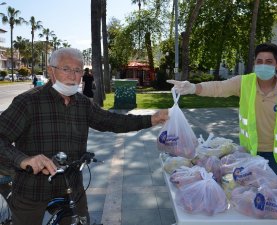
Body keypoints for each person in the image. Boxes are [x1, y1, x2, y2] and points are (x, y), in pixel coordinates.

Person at [0, 47, 169, 225]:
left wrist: (152, 119)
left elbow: (112, 121)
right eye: (66, 69)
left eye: (78, 70)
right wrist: (24, 160)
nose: (73, 76)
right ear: (51, 71)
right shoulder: (28, 102)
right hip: (32, 189)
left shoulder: (82, 104)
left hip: (71, 187)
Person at [167, 42, 277, 190]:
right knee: (250, 197)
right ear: (255, 64)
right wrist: (193, 88)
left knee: (276, 200)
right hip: (249, 154)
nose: (263, 65)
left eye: (269, 62)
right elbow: (219, 87)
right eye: (259, 61)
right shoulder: (244, 83)